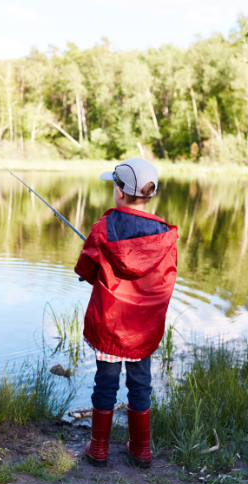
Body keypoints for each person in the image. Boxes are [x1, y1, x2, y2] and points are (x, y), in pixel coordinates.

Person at [74, 158, 178, 468]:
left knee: (105, 384)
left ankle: (99, 449)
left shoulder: (102, 228)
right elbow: (166, 281)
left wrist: (96, 265)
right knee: (141, 385)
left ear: (120, 192)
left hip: (110, 327)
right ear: (151, 195)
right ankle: (141, 450)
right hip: (143, 329)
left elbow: (86, 271)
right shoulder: (165, 235)